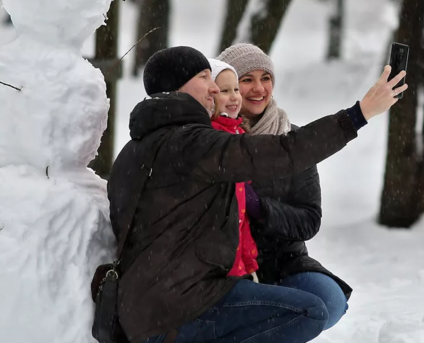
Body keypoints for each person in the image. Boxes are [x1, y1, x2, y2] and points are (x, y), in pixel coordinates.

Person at [107, 46, 406, 343]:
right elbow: (285, 151)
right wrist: (358, 115)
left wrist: (260, 210)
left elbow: (305, 214)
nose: (215, 89)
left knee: (321, 302)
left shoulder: (139, 147)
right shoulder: (193, 144)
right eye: (204, 77)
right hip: (176, 310)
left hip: (150, 307)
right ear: (177, 86)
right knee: (310, 311)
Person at [217, 43, 349, 330]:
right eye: (246, 79)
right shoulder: (214, 140)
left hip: (284, 263)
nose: (258, 89)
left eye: (265, 78)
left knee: (329, 302)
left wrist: (260, 209)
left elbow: (309, 220)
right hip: (228, 268)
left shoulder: (293, 140)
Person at [207, 58, 259, 280]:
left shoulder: (239, 135)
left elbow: (242, 216)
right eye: (225, 90)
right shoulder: (210, 137)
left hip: (237, 261)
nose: (234, 97)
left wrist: (249, 262)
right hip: (217, 263)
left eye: (236, 89)